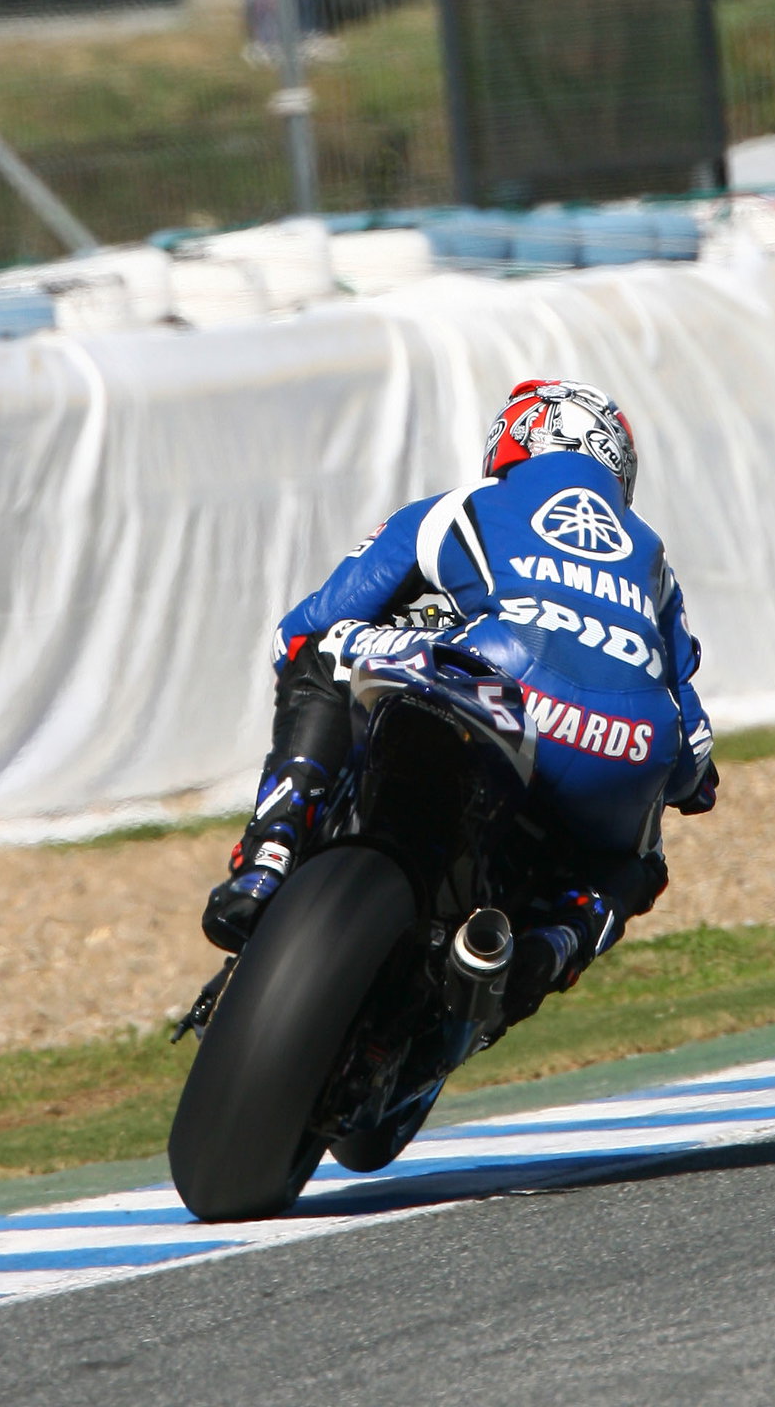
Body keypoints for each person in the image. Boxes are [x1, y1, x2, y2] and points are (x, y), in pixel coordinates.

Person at [201, 378, 717, 1029]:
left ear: (512, 440)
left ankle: (270, 854)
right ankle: (549, 950)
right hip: (630, 743)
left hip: (506, 686)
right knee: (640, 860)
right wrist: (685, 784)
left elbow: (302, 629)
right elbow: (692, 754)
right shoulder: (653, 559)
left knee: (321, 652)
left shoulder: (464, 506)